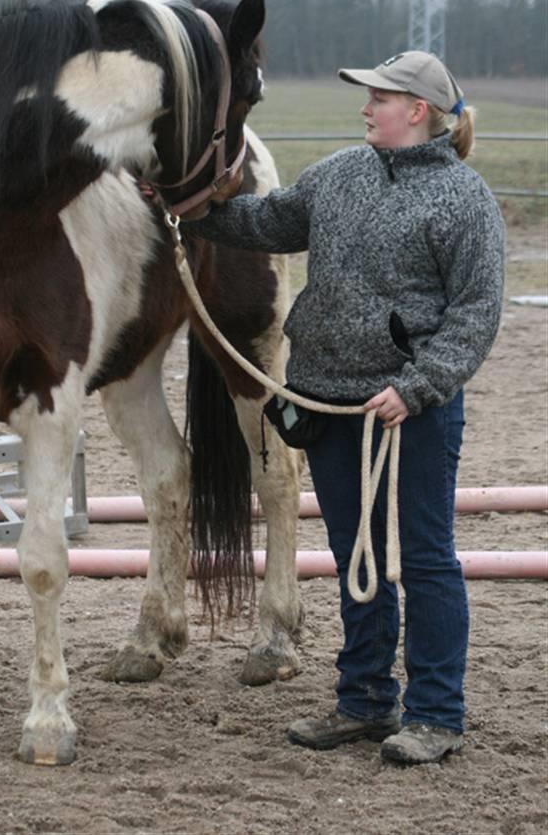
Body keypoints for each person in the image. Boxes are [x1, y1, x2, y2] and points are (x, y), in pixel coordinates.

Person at [187, 51, 505, 764]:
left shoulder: (464, 200)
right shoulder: (337, 175)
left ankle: (435, 713)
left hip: (408, 411)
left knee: (424, 558)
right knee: (353, 555)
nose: (365, 107)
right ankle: (364, 700)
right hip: (327, 403)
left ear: (416, 111)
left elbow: (476, 313)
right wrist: (191, 208)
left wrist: (417, 386)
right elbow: (265, 222)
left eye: (379, 98)